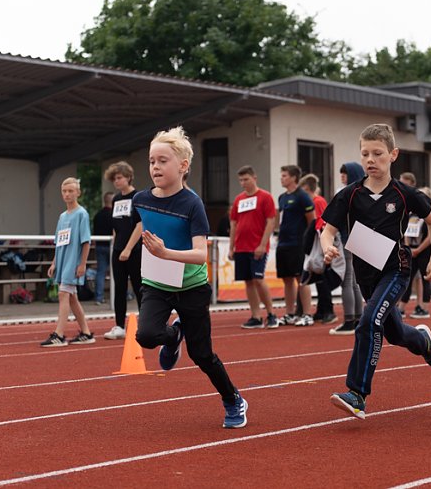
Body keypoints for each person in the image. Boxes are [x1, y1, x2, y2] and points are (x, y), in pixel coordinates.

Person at [321, 123, 431, 420]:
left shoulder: (404, 194)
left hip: (396, 270)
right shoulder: (349, 195)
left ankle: (357, 394)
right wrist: (327, 246)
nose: (370, 160)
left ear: (393, 155)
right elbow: (328, 230)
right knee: (395, 333)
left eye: (378, 153)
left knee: (367, 322)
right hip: (366, 273)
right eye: (365, 154)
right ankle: (422, 342)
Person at [132, 126, 247, 428]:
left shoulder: (192, 204)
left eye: (162, 161)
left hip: (192, 286)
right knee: (145, 336)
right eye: (151, 161)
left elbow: (200, 253)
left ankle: (233, 399)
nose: (155, 167)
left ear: (183, 166)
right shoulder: (141, 199)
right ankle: (173, 336)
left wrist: (164, 252)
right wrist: (132, 251)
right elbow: (143, 225)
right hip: (156, 283)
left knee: (202, 355)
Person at [40, 178, 95, 347]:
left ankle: (59, 334)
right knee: (71, 298)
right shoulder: (62, 216)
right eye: (64, 191)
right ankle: (86, 332)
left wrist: (82, 264)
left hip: (74, 262)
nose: (67, 194)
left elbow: (86, 241)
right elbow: (59, 243)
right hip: (63, 262)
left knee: (63, 294)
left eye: (71, 191)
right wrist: (54, 263)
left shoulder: (82, 214)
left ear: (78, 193)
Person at [230, 165, 279, 330]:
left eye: (246, 179)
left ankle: (271, 314)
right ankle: (256, 316)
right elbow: (234, 224)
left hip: (257, 247)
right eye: (241, 180)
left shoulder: (265, 197)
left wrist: (262, 244)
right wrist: (231, 248)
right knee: (248, 282)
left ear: (254, 178)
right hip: (241, 247)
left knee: (258, 279)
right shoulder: (238, 200)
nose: (243, 183)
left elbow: (271, 221)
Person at [103, 161, 144, 340]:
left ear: (128, 177)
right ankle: (120, 325)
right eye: (114, 179)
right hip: (118, 249)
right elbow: (115, 225)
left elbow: (140, 224)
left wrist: (128, 248)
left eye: (119, 178)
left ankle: (146, 324)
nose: (117, 182)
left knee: (139, 287)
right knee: (119, 288)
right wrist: (116, 243)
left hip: (134, 250)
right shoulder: (116, 199)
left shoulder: (138, 197)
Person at [276, 165, 316, 326]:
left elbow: (311, 221)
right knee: (286, 279)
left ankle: (307, 314)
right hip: (283, 244)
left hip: (298, 244)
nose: (281, 178)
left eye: (284, 175)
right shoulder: (282, 197)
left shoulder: (303, 196)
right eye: (282, 175)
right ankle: (290, 313)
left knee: (302, 279)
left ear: (293, 178)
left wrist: (307, 241)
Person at [329, 162, 366, 335]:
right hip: (360, 238)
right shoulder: (365, 192)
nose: (342, 176)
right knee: (355, 282)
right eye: (341, 173)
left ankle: (349, 320)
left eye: (345, 174)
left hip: (347, 238)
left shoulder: (347, 193)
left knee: (347, 280)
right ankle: (358, 318)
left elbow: (338, 216)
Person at [299, 173, 337, 324]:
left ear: (307, 189)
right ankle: (321, 310)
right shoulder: (312, 201)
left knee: (322, 277)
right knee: (317, 277)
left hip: (319, 242)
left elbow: (323, 221)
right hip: (314, 241)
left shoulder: (318, 201)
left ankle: (328, 310)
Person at [397, 172, 431, 318]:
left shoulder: (429, 216)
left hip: (423, 251)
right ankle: (401, 308)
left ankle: (423, 308)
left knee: (425, 278)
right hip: (411, 250)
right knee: (407, 278)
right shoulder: (412, 214)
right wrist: (408, 247)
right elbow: (406, 231)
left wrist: (418, 249)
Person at [92, 192, 113, 305]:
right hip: (111, 245)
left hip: (100, 246)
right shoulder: (114, 214)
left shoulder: (98, 215)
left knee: (100, 272)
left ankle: (99, 297)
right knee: (117, 272)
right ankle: (120, 296)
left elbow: (94, 231)